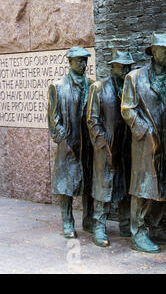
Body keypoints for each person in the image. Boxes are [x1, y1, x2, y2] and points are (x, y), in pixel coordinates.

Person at [121, 31, 166, 253]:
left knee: (165, 187)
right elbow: (127, 110)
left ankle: (156, 228)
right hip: (145, 144)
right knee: (143, 188)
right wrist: (145, 131)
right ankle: (138, 233)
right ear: (153, 52)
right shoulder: (134, 77)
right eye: (165, 51)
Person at [86, 49, 135, 247]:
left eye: (128, 66)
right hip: (105, 149)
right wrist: (102, 144)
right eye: (122, 66)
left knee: (124, 188)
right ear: (112, 66)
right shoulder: (99, 88)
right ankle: (99, 227)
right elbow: (92, 119)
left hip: (125, 147)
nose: (126, 69)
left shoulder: (129, 88)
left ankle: (126, 225)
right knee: (103, 189)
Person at [48, 46, 95, 239]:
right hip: (69, 144)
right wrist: (62, 138)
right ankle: (67, 221)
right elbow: (53, 117)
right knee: (66, 186)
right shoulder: (58, 86)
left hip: (89, 143)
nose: (83, 64)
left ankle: (89, 219)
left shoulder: (92, 85)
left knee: (90, 183)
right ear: (70, 62)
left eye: (85, 60)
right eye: (79, 61)